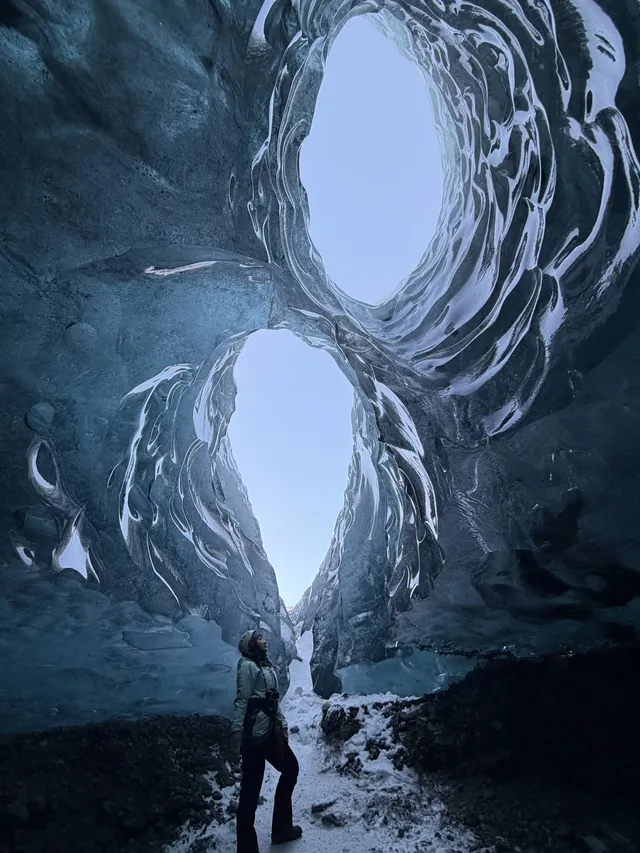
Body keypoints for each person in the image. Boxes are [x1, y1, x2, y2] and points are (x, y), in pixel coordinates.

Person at [230, 630, 302, 853]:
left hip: (270, 733)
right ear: (250, 645)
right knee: (251, 791)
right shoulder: (247, 666)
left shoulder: (266, 667)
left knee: (291, 769)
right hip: (254, 736)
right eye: (259, 638)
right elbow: (242, 700)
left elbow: (274, 701)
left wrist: (283, 726)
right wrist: (236, 730)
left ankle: (281, 829)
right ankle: (247, 848)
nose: (264, 641)